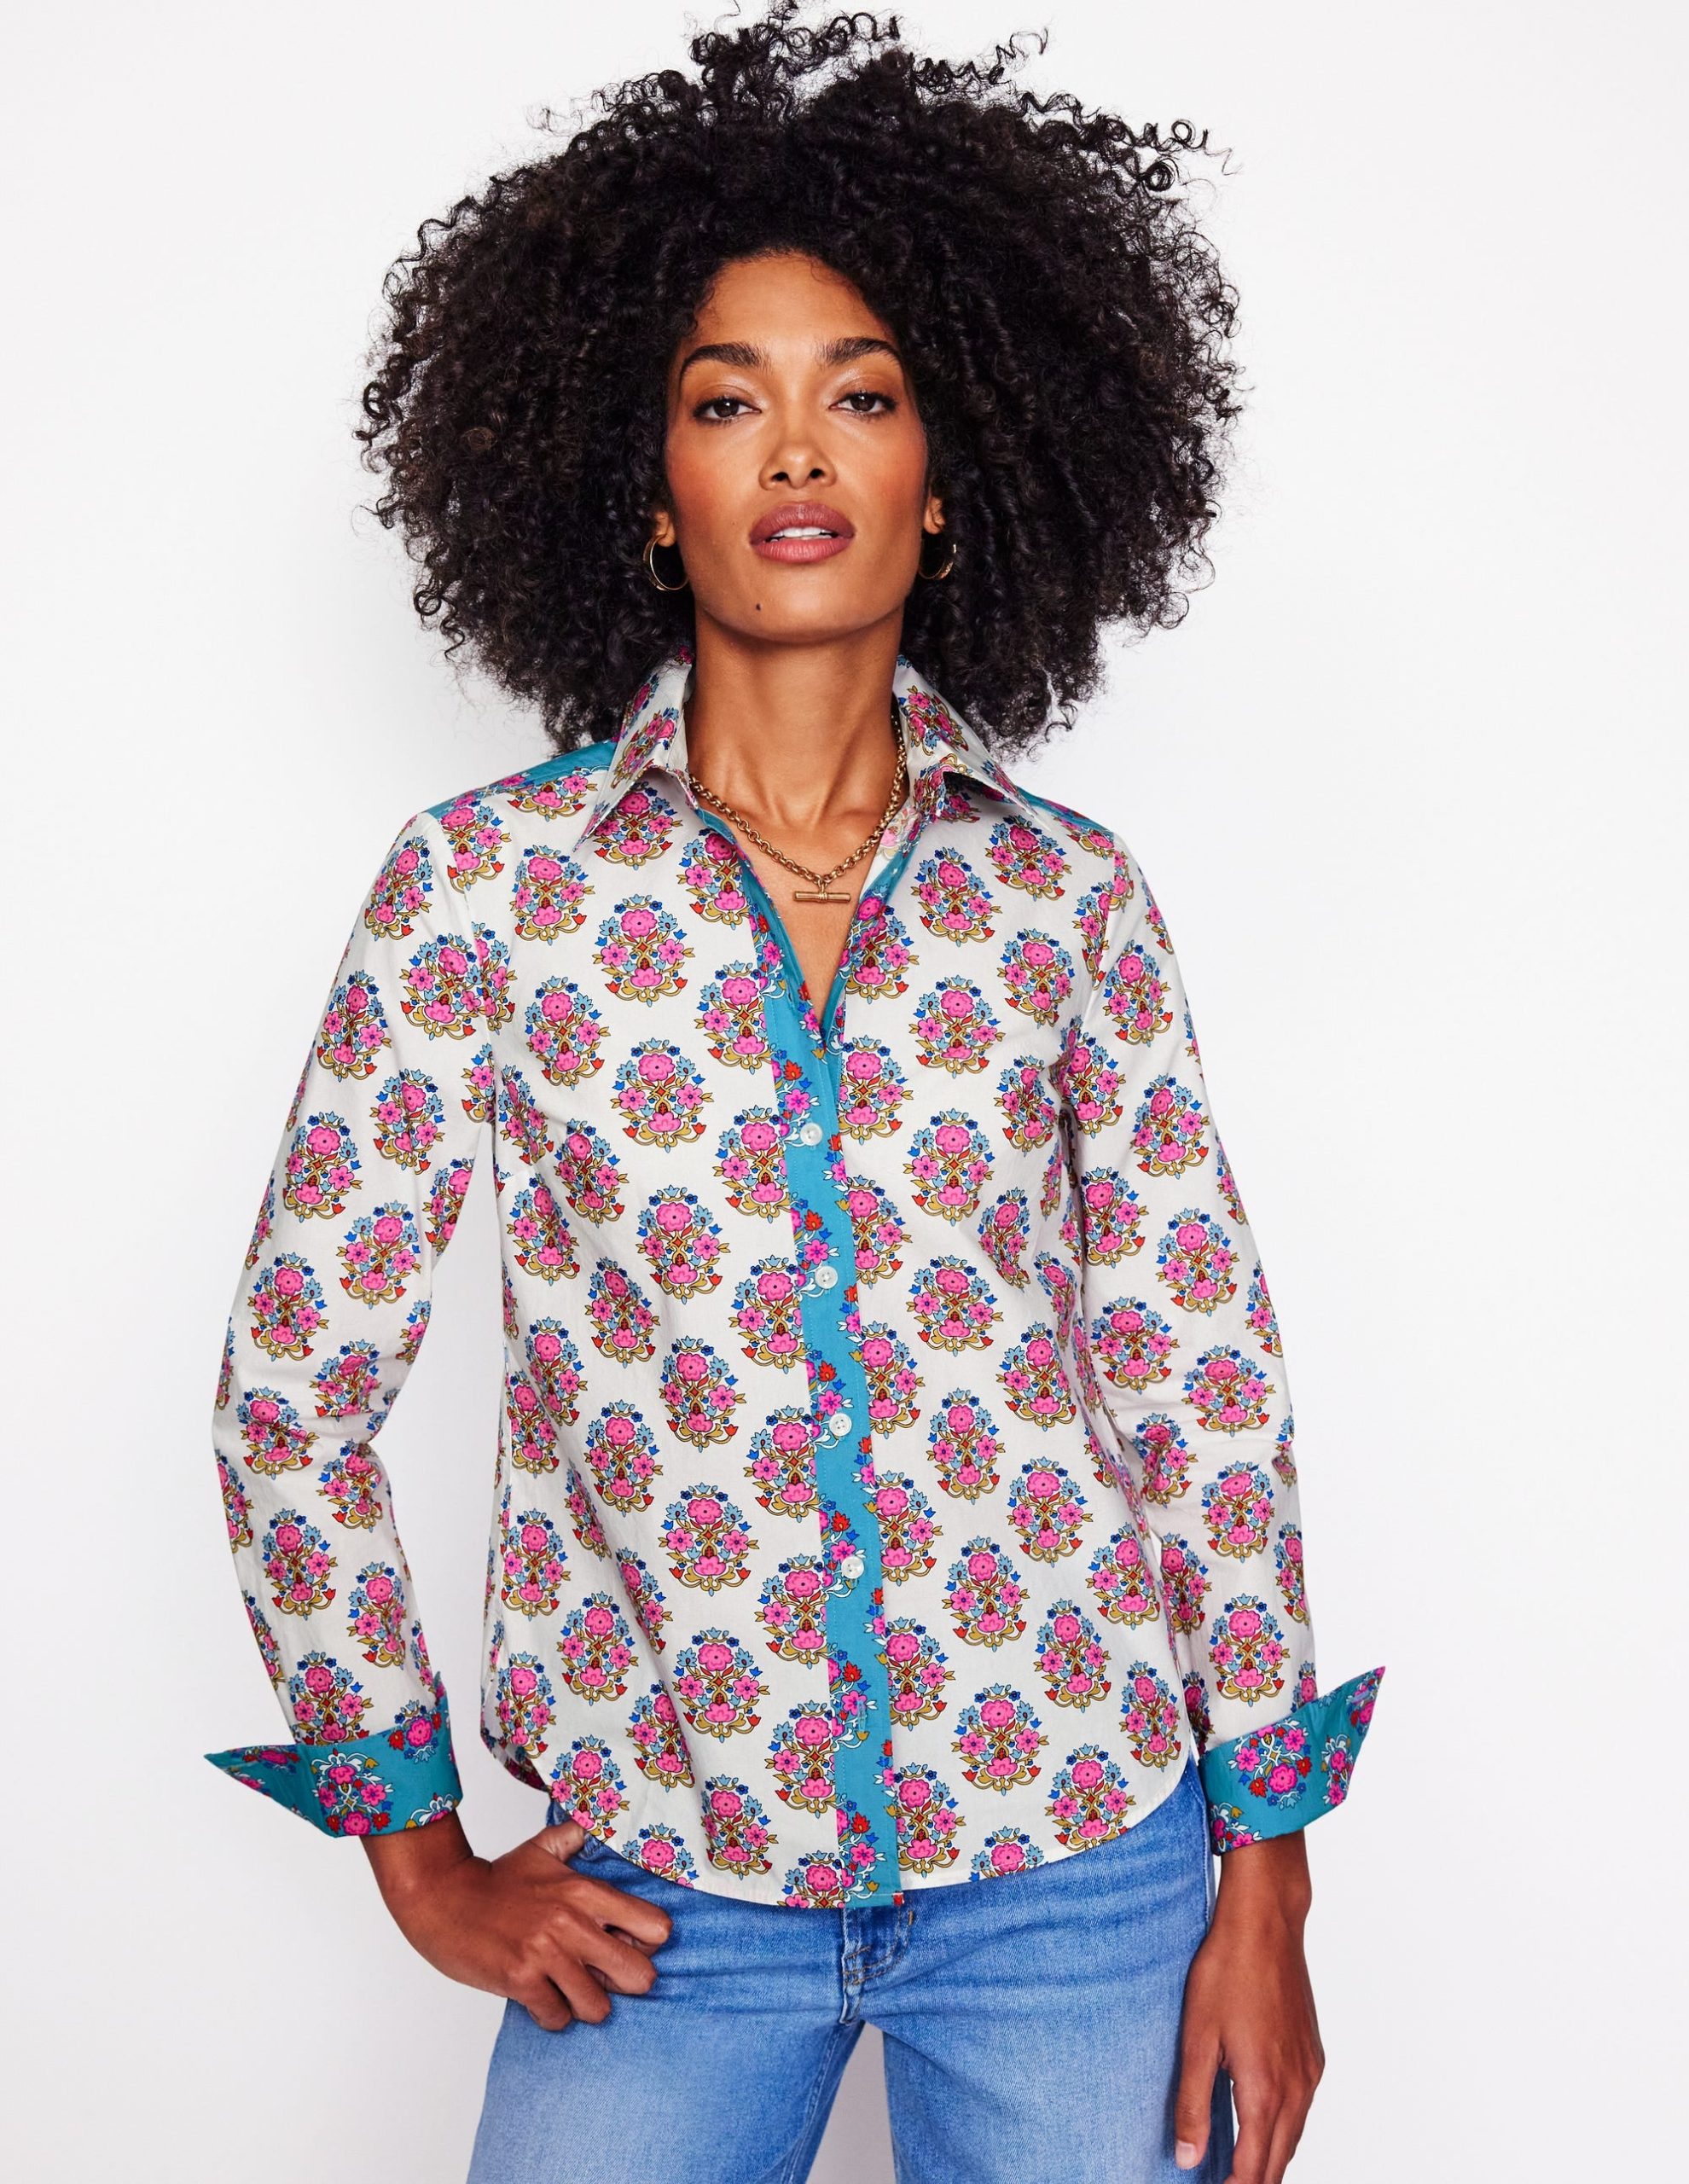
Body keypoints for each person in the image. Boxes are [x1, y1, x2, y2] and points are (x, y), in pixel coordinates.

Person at [201, 9, 1384, 2180]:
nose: (797, 451)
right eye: (725, 399)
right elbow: (296, 1384)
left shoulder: (1067, 899)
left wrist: (1269, 1884)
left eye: (864, 391)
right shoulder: (485, 892)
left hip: (1079, 1867)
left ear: (951, 474)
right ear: (651, 493)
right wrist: (418, 1848)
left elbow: (1198, 1377)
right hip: (667, 1893)